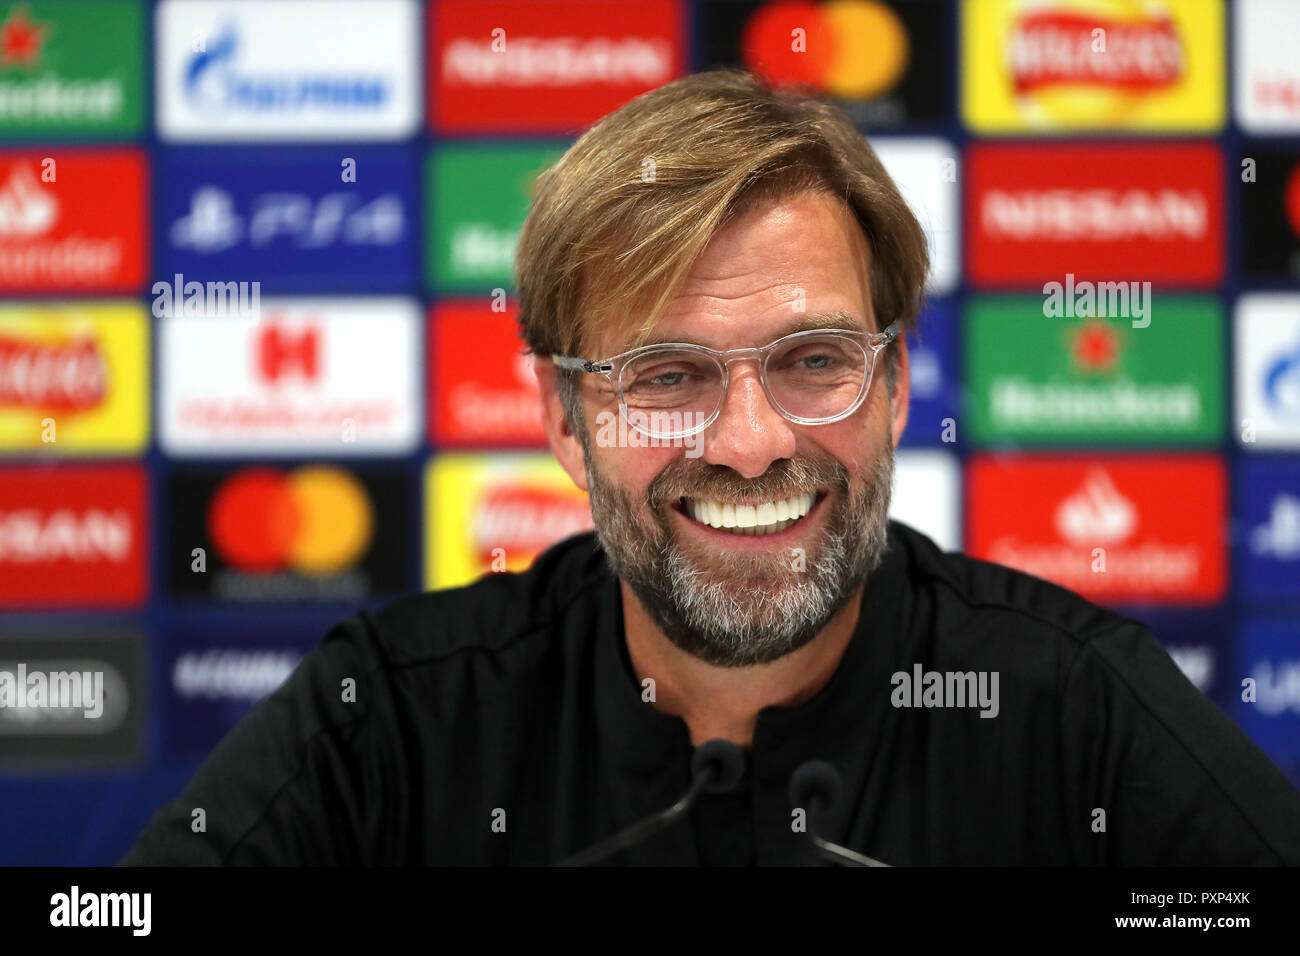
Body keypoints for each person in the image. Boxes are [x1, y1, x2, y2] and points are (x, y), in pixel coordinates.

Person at [121, 69, 1300, 866]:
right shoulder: (389, 717)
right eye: (667, 375)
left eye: (813, 359)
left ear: (892, 386)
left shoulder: (1083, 710)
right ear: (566, 417)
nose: (749, 442)